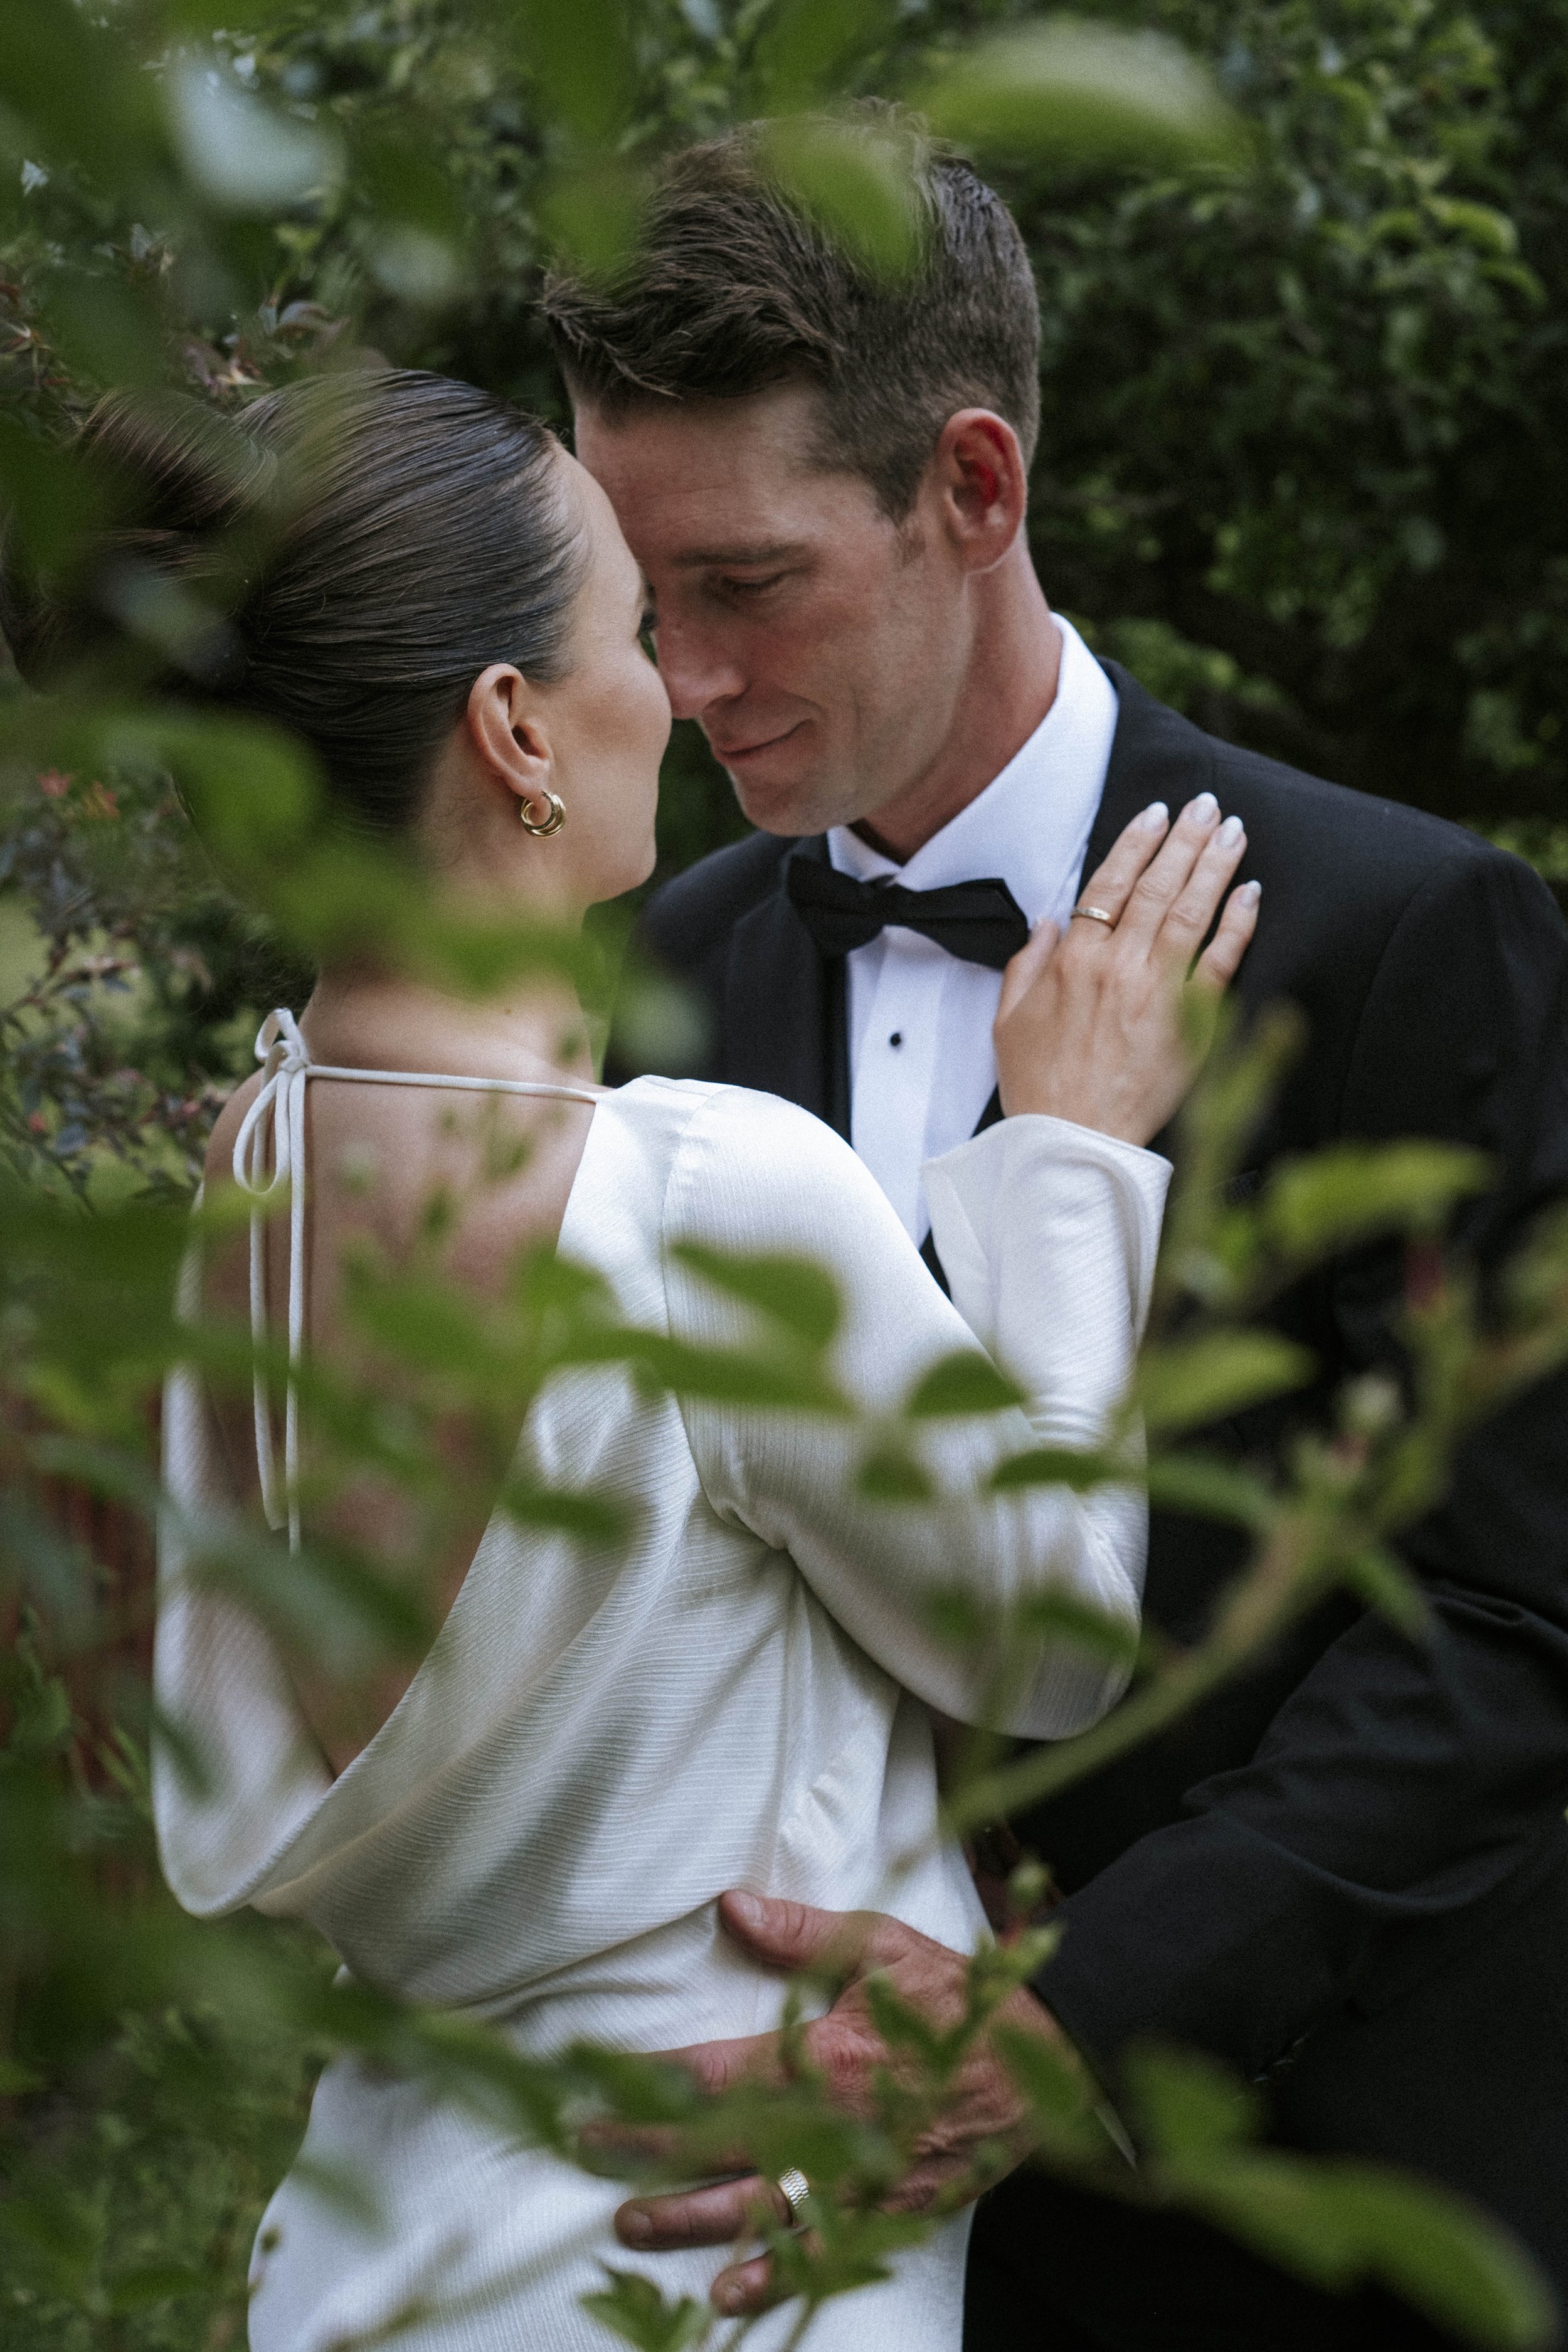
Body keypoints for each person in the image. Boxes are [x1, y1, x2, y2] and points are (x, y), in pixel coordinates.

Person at [0, 371, 1258, 2350]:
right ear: (510, 728)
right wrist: (1078, 1153)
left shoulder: (257, 1163)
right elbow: (1053, 1639)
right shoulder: (694, 1201)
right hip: (698, 2266)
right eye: (626, 633)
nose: (678, 686)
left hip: (372, 2259)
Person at [543, 120, 1568, 2346]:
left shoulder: (1407, 936)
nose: (689, 676)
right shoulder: (651, 977)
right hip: (770, 2234)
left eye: (744, 582)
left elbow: (1501, 1613)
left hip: (1281, 2204)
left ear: (973, 490)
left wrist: (1076, 2015)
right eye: (641, 604)